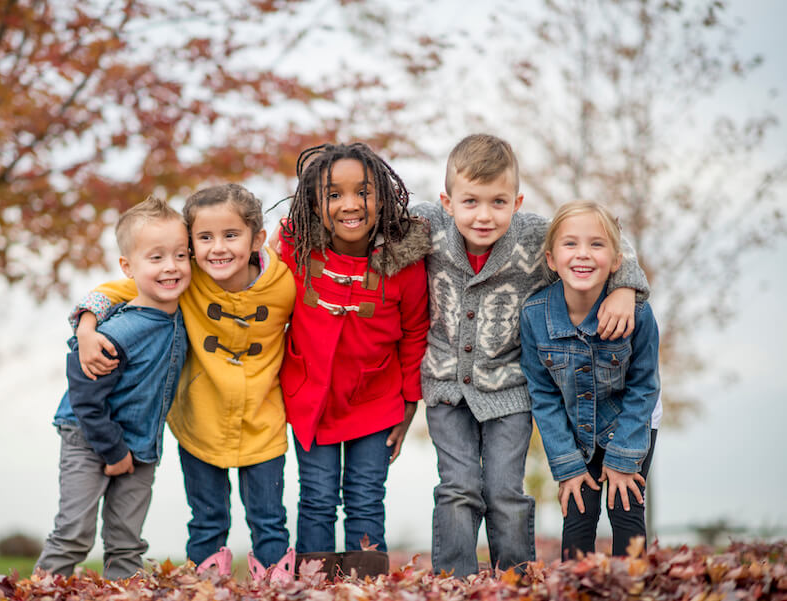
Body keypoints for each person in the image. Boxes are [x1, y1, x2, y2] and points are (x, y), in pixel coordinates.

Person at [409, 134, 650, 577]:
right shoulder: (427, 226)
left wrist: (626, 287)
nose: (484, 215)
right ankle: (453, 581)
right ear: (447, 201)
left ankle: (516, 579)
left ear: (517, 201)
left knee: (504, 490)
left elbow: (606, 236)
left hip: (511, 388)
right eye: (471, 202)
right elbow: (368, 228)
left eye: (498, 202)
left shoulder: (535, 236)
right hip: (446, 385)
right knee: (458, 488)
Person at [72, 184, 297, 582]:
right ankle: (206, 585)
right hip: (200, 423)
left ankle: (276, 586)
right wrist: (87, 326)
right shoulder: (185, 282)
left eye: (231, 235)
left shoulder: (283, 284)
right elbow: (112, 291)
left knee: (269, 519)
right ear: (191, 245)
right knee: (207, 518)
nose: (218, 248)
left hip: (264, 422)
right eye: (205, 238)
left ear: (257, 239)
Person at [275, 142, 430, 576]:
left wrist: (409, 403)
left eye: (363, 192)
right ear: (314, 203)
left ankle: (367, 586)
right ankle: (315, 586)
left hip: (377, 402)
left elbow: (416, 331)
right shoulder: (297, 250)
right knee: (318, 496)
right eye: (334, 194)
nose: (350, 205)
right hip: (313, 402)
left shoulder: (404, 263)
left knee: (365, 495)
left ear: (381, 197)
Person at [36, 196, 191, 580]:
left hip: (141, 444)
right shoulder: (120, 330)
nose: (171, 266)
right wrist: (113, 449)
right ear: (128, 267)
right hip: (89, 438)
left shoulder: (184, 314)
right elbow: (84, 394)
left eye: (180, 255)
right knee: (73, 534)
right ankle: (38, 591)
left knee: (127, 540)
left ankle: (123, 591)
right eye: (156, 258)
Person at [520, 201, 660, 560]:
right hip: (572, 426)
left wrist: (623, 458)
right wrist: (566, 465)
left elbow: (644, 387)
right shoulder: (535, 316)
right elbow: (544, 395)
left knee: (625, 505)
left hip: (630, 420)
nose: (583, 254)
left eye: (596, 244)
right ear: (551, 259)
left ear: (616, 261)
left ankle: (633, 587)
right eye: (571, 244)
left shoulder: (639, 315)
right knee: (579, 511)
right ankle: (574, 587)